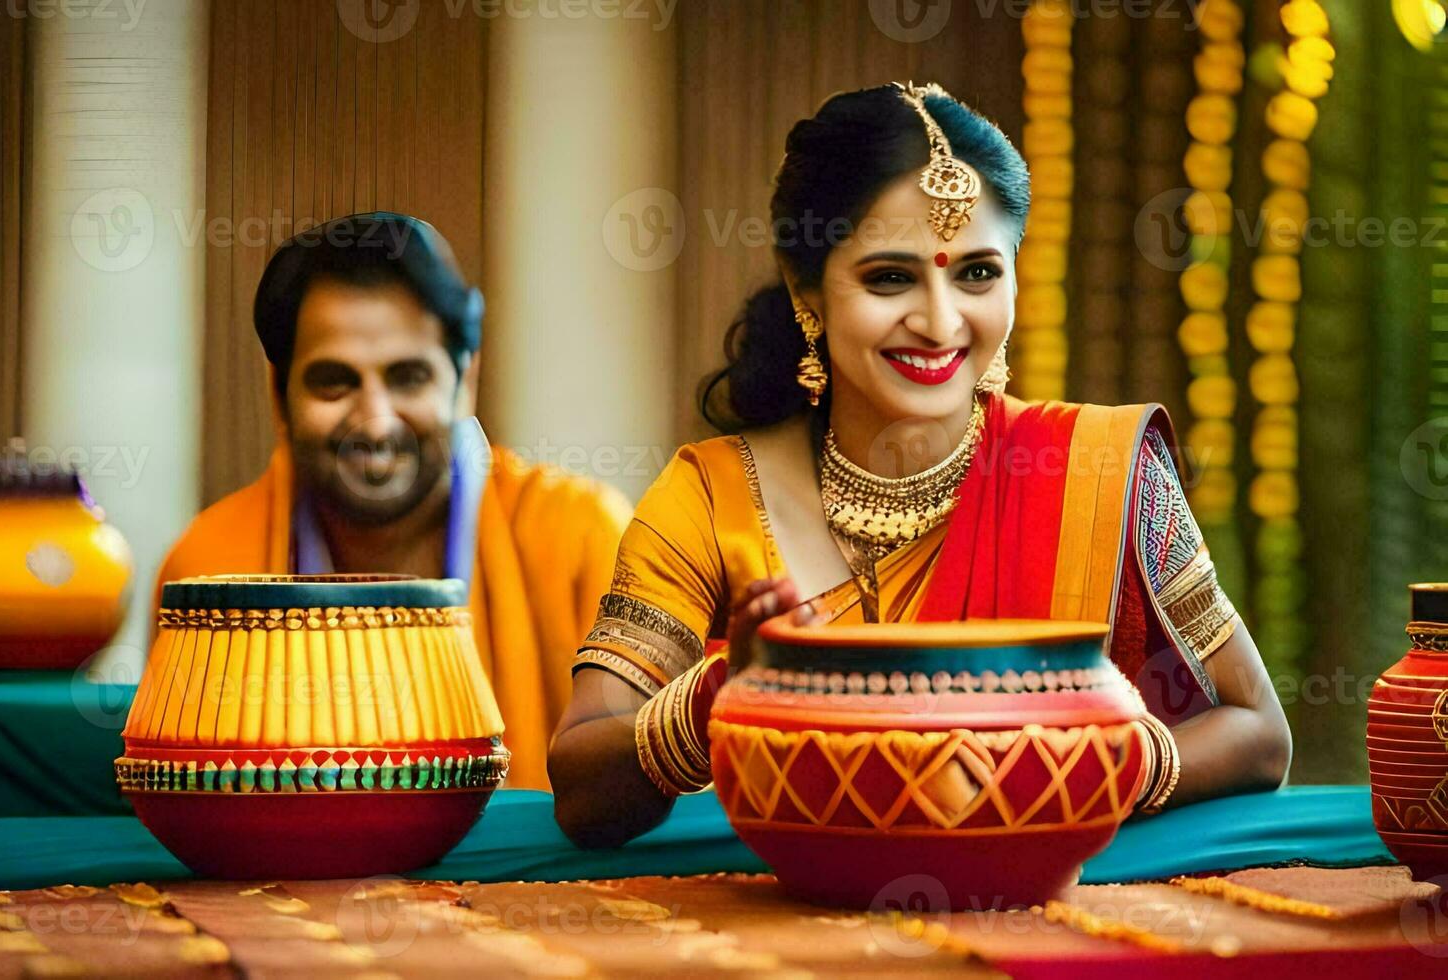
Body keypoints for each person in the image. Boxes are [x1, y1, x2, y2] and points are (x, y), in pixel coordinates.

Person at [549, 83, 1291, 847]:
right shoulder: (711, 498)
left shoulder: (1102, 474)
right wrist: (718, 696)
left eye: (976, 274)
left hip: (1036, 918)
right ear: (807, 289)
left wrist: (1084, 768)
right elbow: (580, 788)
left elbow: (1260, 732)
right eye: (891, 278)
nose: (940, 323)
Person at [156, 212, 631, 789]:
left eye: (408, 377)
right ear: (277, 397)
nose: (376, 422)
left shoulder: (584, 538)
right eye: (334, 380)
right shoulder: (209, 570)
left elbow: (648, 800)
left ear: (465, 380)